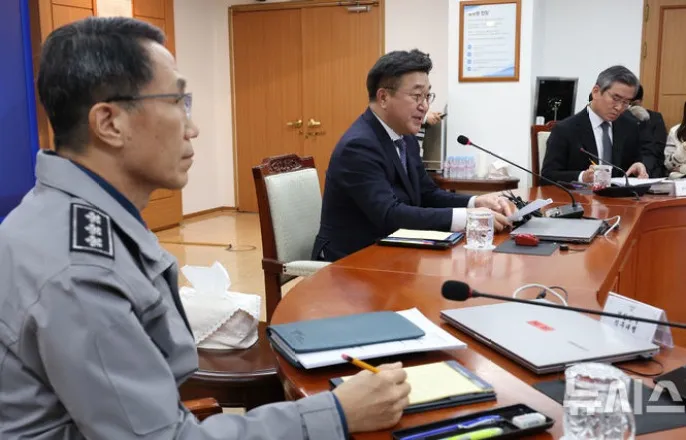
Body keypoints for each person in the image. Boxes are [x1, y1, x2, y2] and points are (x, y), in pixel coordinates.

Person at [0, 17, 411, 440]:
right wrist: (337, 413)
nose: (193, 128)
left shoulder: (73, 215)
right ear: (109, 123)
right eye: (177, 102)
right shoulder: (80, 271)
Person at [311, 49, 514, 262]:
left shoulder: (405, 138)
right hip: (349, 260)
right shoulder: (358, 146)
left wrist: (475, 202)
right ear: (383, 97)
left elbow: (427, 194)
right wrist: (467, 218)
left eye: (427, 96)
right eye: (417, 96)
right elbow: (389, 214)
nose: (424, 106)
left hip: (391, 253)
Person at [541, 66, 653, 184]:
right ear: (596, 92)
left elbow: (633, 165)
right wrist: (582, 177)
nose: (619, 107)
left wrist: (638, 166)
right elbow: (547, 177)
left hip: (619, 195)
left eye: (626, 102)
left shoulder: (630, 127)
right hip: (581, 195)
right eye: (615, 98)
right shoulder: (565, 130)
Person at [626, 85, 667, 177]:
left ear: (640, 101)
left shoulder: (655, 118)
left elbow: (658, 148)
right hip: (624, 169)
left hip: (651, 168)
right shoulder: (618, 118)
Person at [664, 101, 686, 178]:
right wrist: (682, 149)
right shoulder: (675, 131)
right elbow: (668, 165)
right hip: (680, 180)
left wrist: (682, 169)